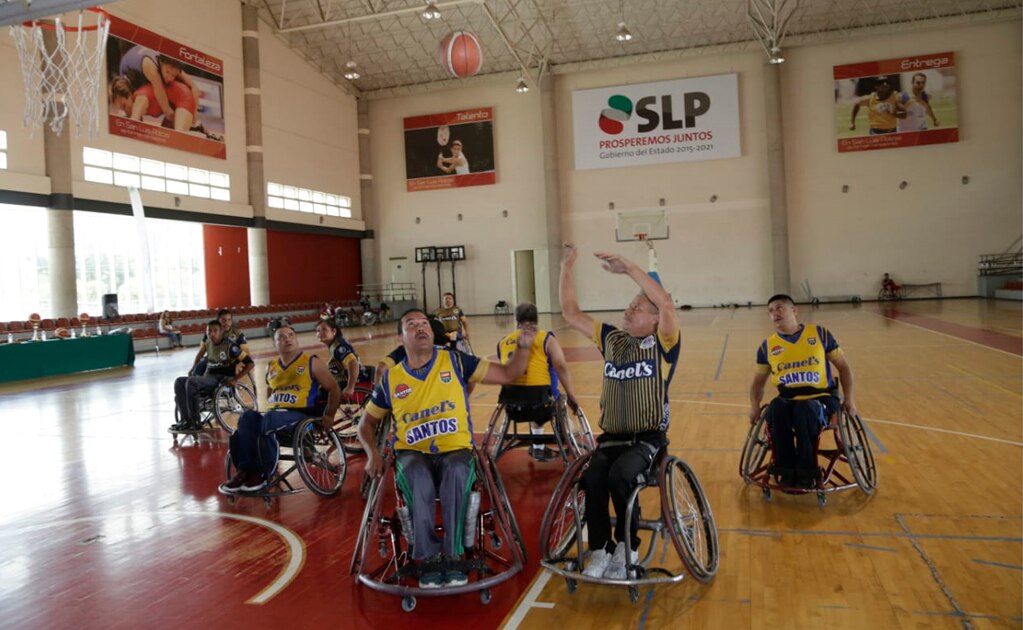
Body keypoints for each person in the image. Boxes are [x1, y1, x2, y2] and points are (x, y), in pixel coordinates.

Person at [358, 309, 535, 588]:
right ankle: (428, 558)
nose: (421, 328)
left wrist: (524, 348)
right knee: (417, 478)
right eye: (412, 324)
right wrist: (373, 454)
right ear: (400, 336)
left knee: (456, 471)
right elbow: (365, 425)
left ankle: (453, 555)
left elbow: (509, 372)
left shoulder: (456, 361)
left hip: (456, 450)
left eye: (425, 324)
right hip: (411, 453)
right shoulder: (392, 379)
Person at [559, 243, 680, 580]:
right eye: (629, 306)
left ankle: (628, 546)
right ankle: (601, 549)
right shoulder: (611, 338)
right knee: (594, 478)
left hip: (647, 440)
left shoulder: (664, 342)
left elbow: (666, 302)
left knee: (620, 476)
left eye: (638, 308)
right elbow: (570, 313)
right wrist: (567, 267)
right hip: (611, 438)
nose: (629, 311)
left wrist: (629, 267)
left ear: (655, 318)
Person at [747, 294, 858, 489]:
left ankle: (807, 472)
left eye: (779, 307)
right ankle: (785, 470)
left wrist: (849, 399)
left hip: (822, 397)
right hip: (788, 399)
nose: (774, 313)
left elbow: (844, 368)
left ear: (794, 310)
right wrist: (754, 406)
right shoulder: (767, 346)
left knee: (805, 409)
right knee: (776, 409)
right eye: (770, 311)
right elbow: (758, 384)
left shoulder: (820, 334)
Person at [220, 325, 340, 493]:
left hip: (301, 416)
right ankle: (245, 471)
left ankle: (262, 473)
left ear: (296, 339)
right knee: (247, 418)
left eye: (291, 335)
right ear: (274, 344)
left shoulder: (311, 362)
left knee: (269, 420)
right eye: (281, 337)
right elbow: (271, 393)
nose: (287, 339)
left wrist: (329, 416)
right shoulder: (272, 366)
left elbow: (334, 388)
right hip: (276, 414)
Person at [495, 302, 580, 461]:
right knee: (549, 387)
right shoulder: (545, 337)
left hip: (512, 406)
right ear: (536, 319)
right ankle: (564, 435)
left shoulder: (503, 341)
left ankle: (538, 446)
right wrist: (571, 396)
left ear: (517, 321)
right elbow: (561, 366)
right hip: (539, 405)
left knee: (532, 389)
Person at [172, 320, 253, 431]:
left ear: (221, 332)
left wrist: (235, 379)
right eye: (209, 331)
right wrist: (193, 368)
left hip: (221, 380)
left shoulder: (231, 347)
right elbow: (199, 355)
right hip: (208, 377)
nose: (212, 334)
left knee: (191, 382)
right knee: (179, 381)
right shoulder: (208, 343)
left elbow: (250, 363)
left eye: (215, 331)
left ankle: (195, 421)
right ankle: (185, 420)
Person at [116, 45, 201, 131]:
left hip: (134, 61)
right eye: (167, 72)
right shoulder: (151, 67)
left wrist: (194, 115)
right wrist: (169, 112)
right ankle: (129, 115)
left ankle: (132, 116)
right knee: (138, 101)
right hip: (128, 68)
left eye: (173, 75)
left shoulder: (172, 67)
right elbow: (166, 108)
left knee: (169, 125)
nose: (170, 78)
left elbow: (194, 87)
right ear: (161, 63)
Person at [192, 309, 249, 377]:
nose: (227, 323)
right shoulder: (210, 333)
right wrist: (193, 368)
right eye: (223, 320)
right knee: (201, 363)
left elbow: (246, 354)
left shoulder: (237, 334)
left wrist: (238, 365)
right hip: (214, 360)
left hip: (230, 362)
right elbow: (200, 354)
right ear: (218, 321)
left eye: (229, 320)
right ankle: (196, 381)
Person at [316, 318, 361, 400]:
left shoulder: (340, 347)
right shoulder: (334, 344)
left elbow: (353, 363)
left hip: (344, 381)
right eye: (318, 331)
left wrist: (350, 387)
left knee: (318, 396)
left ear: (334, 331)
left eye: (324, 329)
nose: (320, 333)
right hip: (338, 379)